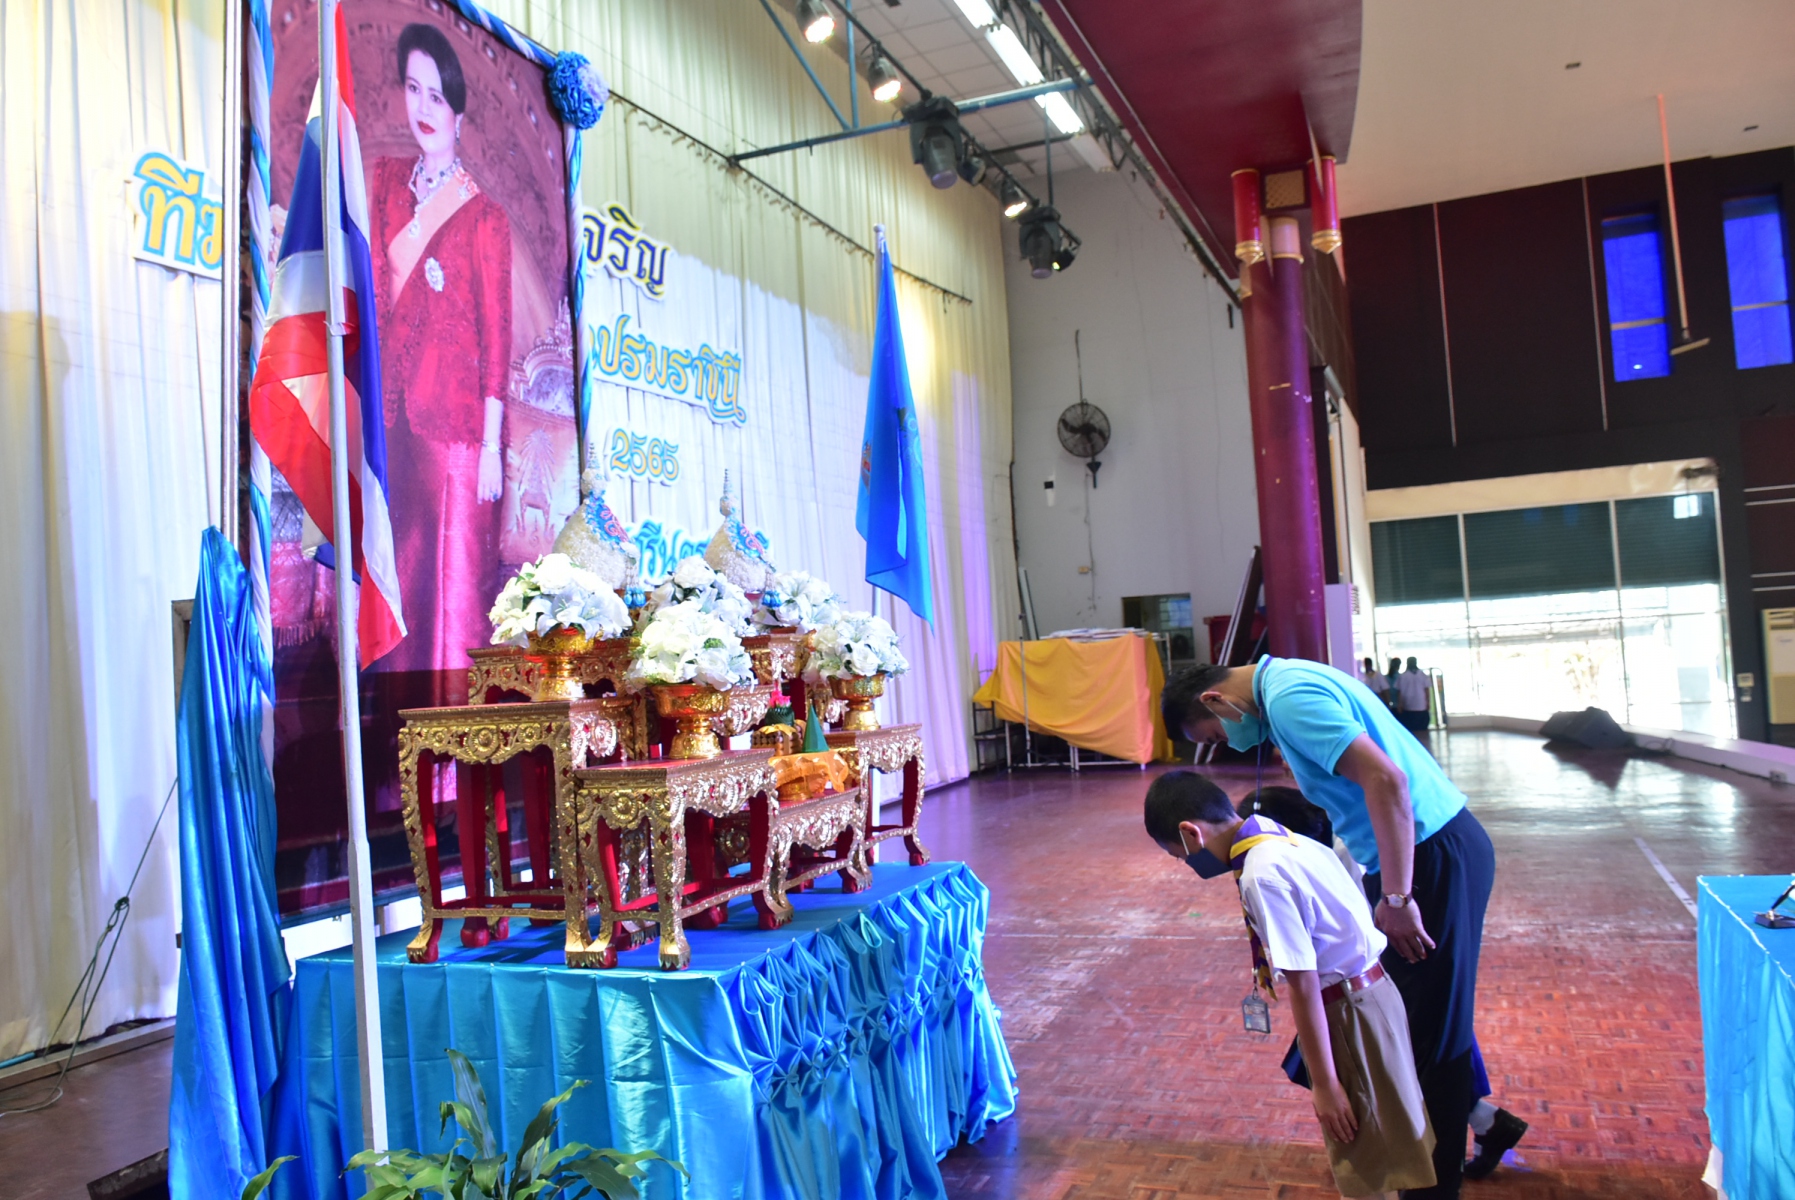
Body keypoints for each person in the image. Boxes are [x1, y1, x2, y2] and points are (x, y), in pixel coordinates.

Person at [1162, 658, 1496, 1199]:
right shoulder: (1288, 684)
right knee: (1427, 1021)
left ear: (1214, 700)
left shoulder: (1288, 699)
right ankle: (1471, 1138)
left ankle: (1434, 1188)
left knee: (1434, 1040)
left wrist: (1397, 895)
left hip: (1425, 857)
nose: (1232, 744)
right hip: (1422, 853)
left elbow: (1387, 779)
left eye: (1216, 736)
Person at [1145, 771, 1437, 1197]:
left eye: (1180, 856)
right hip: (1377, 992)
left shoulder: (1261, 874)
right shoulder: (1288, 840)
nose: (1188, 864)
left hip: (1346, 1011)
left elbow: (1303, 983)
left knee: (1367, 1161)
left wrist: (1326, 1085)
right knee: (1389, 1140)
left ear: (1191, 832)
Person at [1244, 786, 1529, 1179]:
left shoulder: (1327, 858)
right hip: (1373, 971)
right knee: (1413, 1043)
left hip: (1370, 974)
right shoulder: (1323, 847)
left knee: (1377, 1055)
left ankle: (1415, 1152)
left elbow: (1320, 960)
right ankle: (1482, 1122)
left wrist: (1326, 1084)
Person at [368, 22, 514, 693]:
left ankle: (454, 744)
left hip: (456, 437)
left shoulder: (484, 217)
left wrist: (489, 448)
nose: (423, 108)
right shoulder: (384, 183)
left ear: (458, 112)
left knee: (449, 594)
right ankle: (393, 737)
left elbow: (497, 335)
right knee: (398, 582)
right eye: (412, 89)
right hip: (392, 422)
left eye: (437, 96)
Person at [1397, 658, 1432, 735]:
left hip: (1408, 704)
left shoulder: (1403, 676)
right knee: (1422, 728)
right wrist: (1428, 701)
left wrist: (1400, 704)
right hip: (1421, 703)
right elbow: (1426, 690)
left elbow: (1399, 691)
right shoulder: (1422, 675)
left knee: (1411, 728)